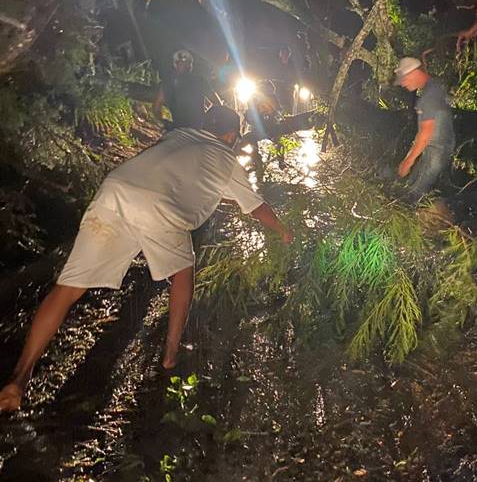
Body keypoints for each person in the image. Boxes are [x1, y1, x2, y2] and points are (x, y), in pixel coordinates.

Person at [0, 106, 293, 412]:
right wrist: (284, 231)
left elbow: (175, 173)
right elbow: (256, 206)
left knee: (69, 287)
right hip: (161, 209)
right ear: (231, 136)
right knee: (183, 270)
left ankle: (19, 378)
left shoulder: (179, 135)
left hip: (115, 192)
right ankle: (170, 354)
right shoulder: (227, 159)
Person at [393, 57, 456, 201]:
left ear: (414, 73)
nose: (403, 84)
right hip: (437, 148)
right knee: (412, 184)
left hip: (435, 150)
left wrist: (407, 162)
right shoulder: (434, 86)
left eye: (404, 79)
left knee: (415, 192)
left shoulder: (428, 98)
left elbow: (426, 133)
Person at [154, 49, 220, 130]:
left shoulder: (167, 84)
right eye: (181, 63)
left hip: (182, 129)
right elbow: (217, 103)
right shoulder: (199, 81)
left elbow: (157, 107)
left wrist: (164, 123)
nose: (183, 65)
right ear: (190, 66)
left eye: (184, 63)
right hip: (194, 129)